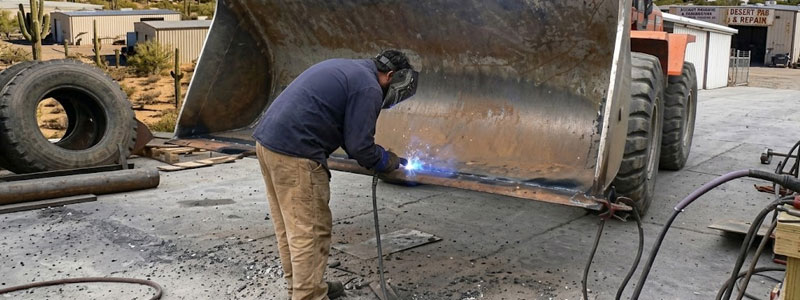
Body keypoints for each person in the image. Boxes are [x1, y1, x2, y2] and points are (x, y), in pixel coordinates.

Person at [253, 50, 419, 300]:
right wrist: (387, 161)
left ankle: (303, 288)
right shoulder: (369, 87)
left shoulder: (349, 68)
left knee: (291, 229)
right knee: (310, 231)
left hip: (268, 145)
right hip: (297, 154)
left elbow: (344, 129)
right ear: (391, 75)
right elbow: (359, 146)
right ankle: (309, 295)